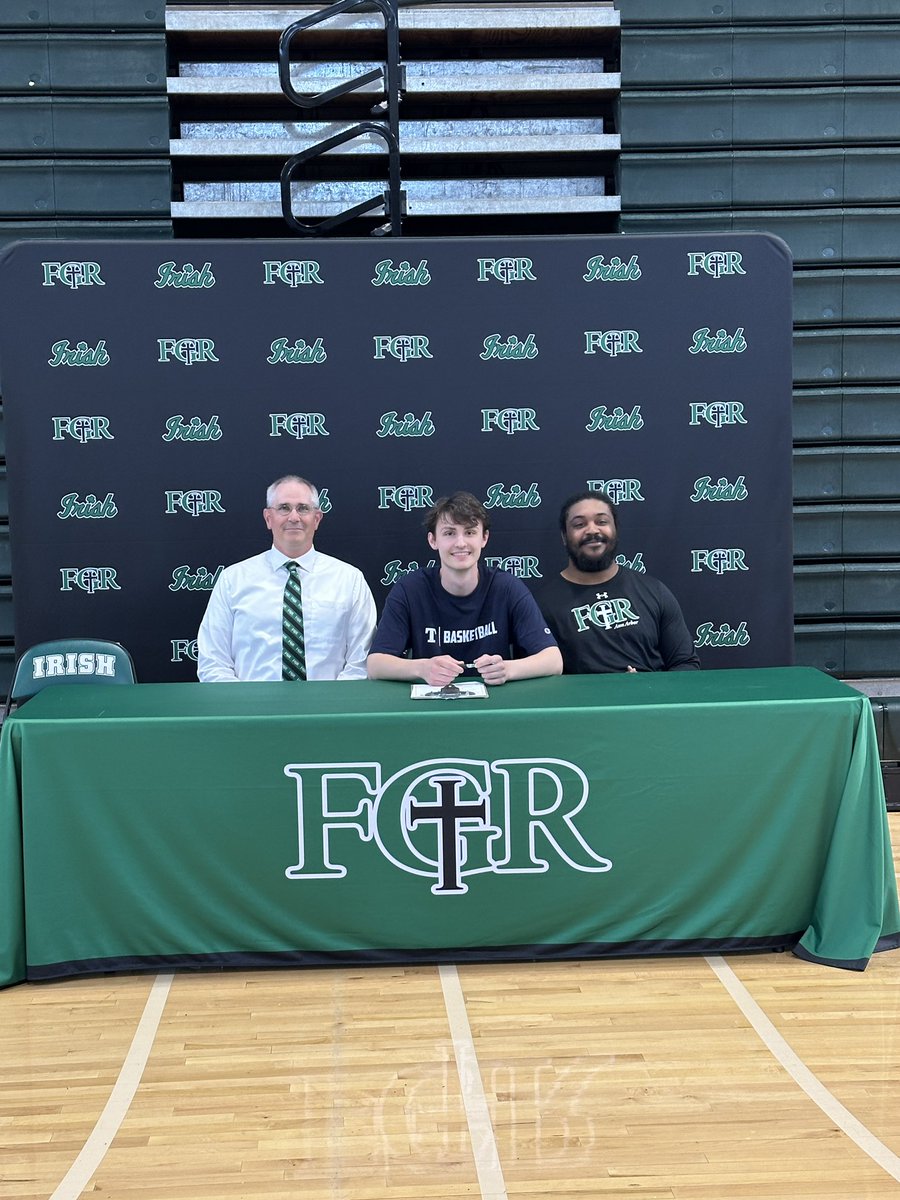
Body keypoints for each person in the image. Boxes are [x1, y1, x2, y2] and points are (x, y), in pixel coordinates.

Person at [367, 490, 562, 687]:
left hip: (493, 705)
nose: (461, 543)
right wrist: (421, 668)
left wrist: (508, 669)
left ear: (484, 538)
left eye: (470, 532)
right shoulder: (410, 589)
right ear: (433, 540)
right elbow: (376, 665)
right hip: (430, 705)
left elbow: (553, 660)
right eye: (449, 533)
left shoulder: (506, 587)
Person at [197, 475, 376, 681]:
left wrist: (329, 707)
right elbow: (213, 662)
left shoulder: (349, 580)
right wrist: (244, 708)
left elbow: (361, 663)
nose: (294, 517)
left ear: (316, 519)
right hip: (251, 708)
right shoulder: (233, 580)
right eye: (283, 508)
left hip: (328, 708)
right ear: (268, 518)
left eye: (303, 508)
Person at [536, 489, 700, 674]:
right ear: (564, 537)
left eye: (602, 521)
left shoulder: (654, 591)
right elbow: (540, 680)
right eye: (579, 524)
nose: (592, 530)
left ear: (615, 530)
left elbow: (686, 664)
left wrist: (652, 688)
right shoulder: (541, 605)